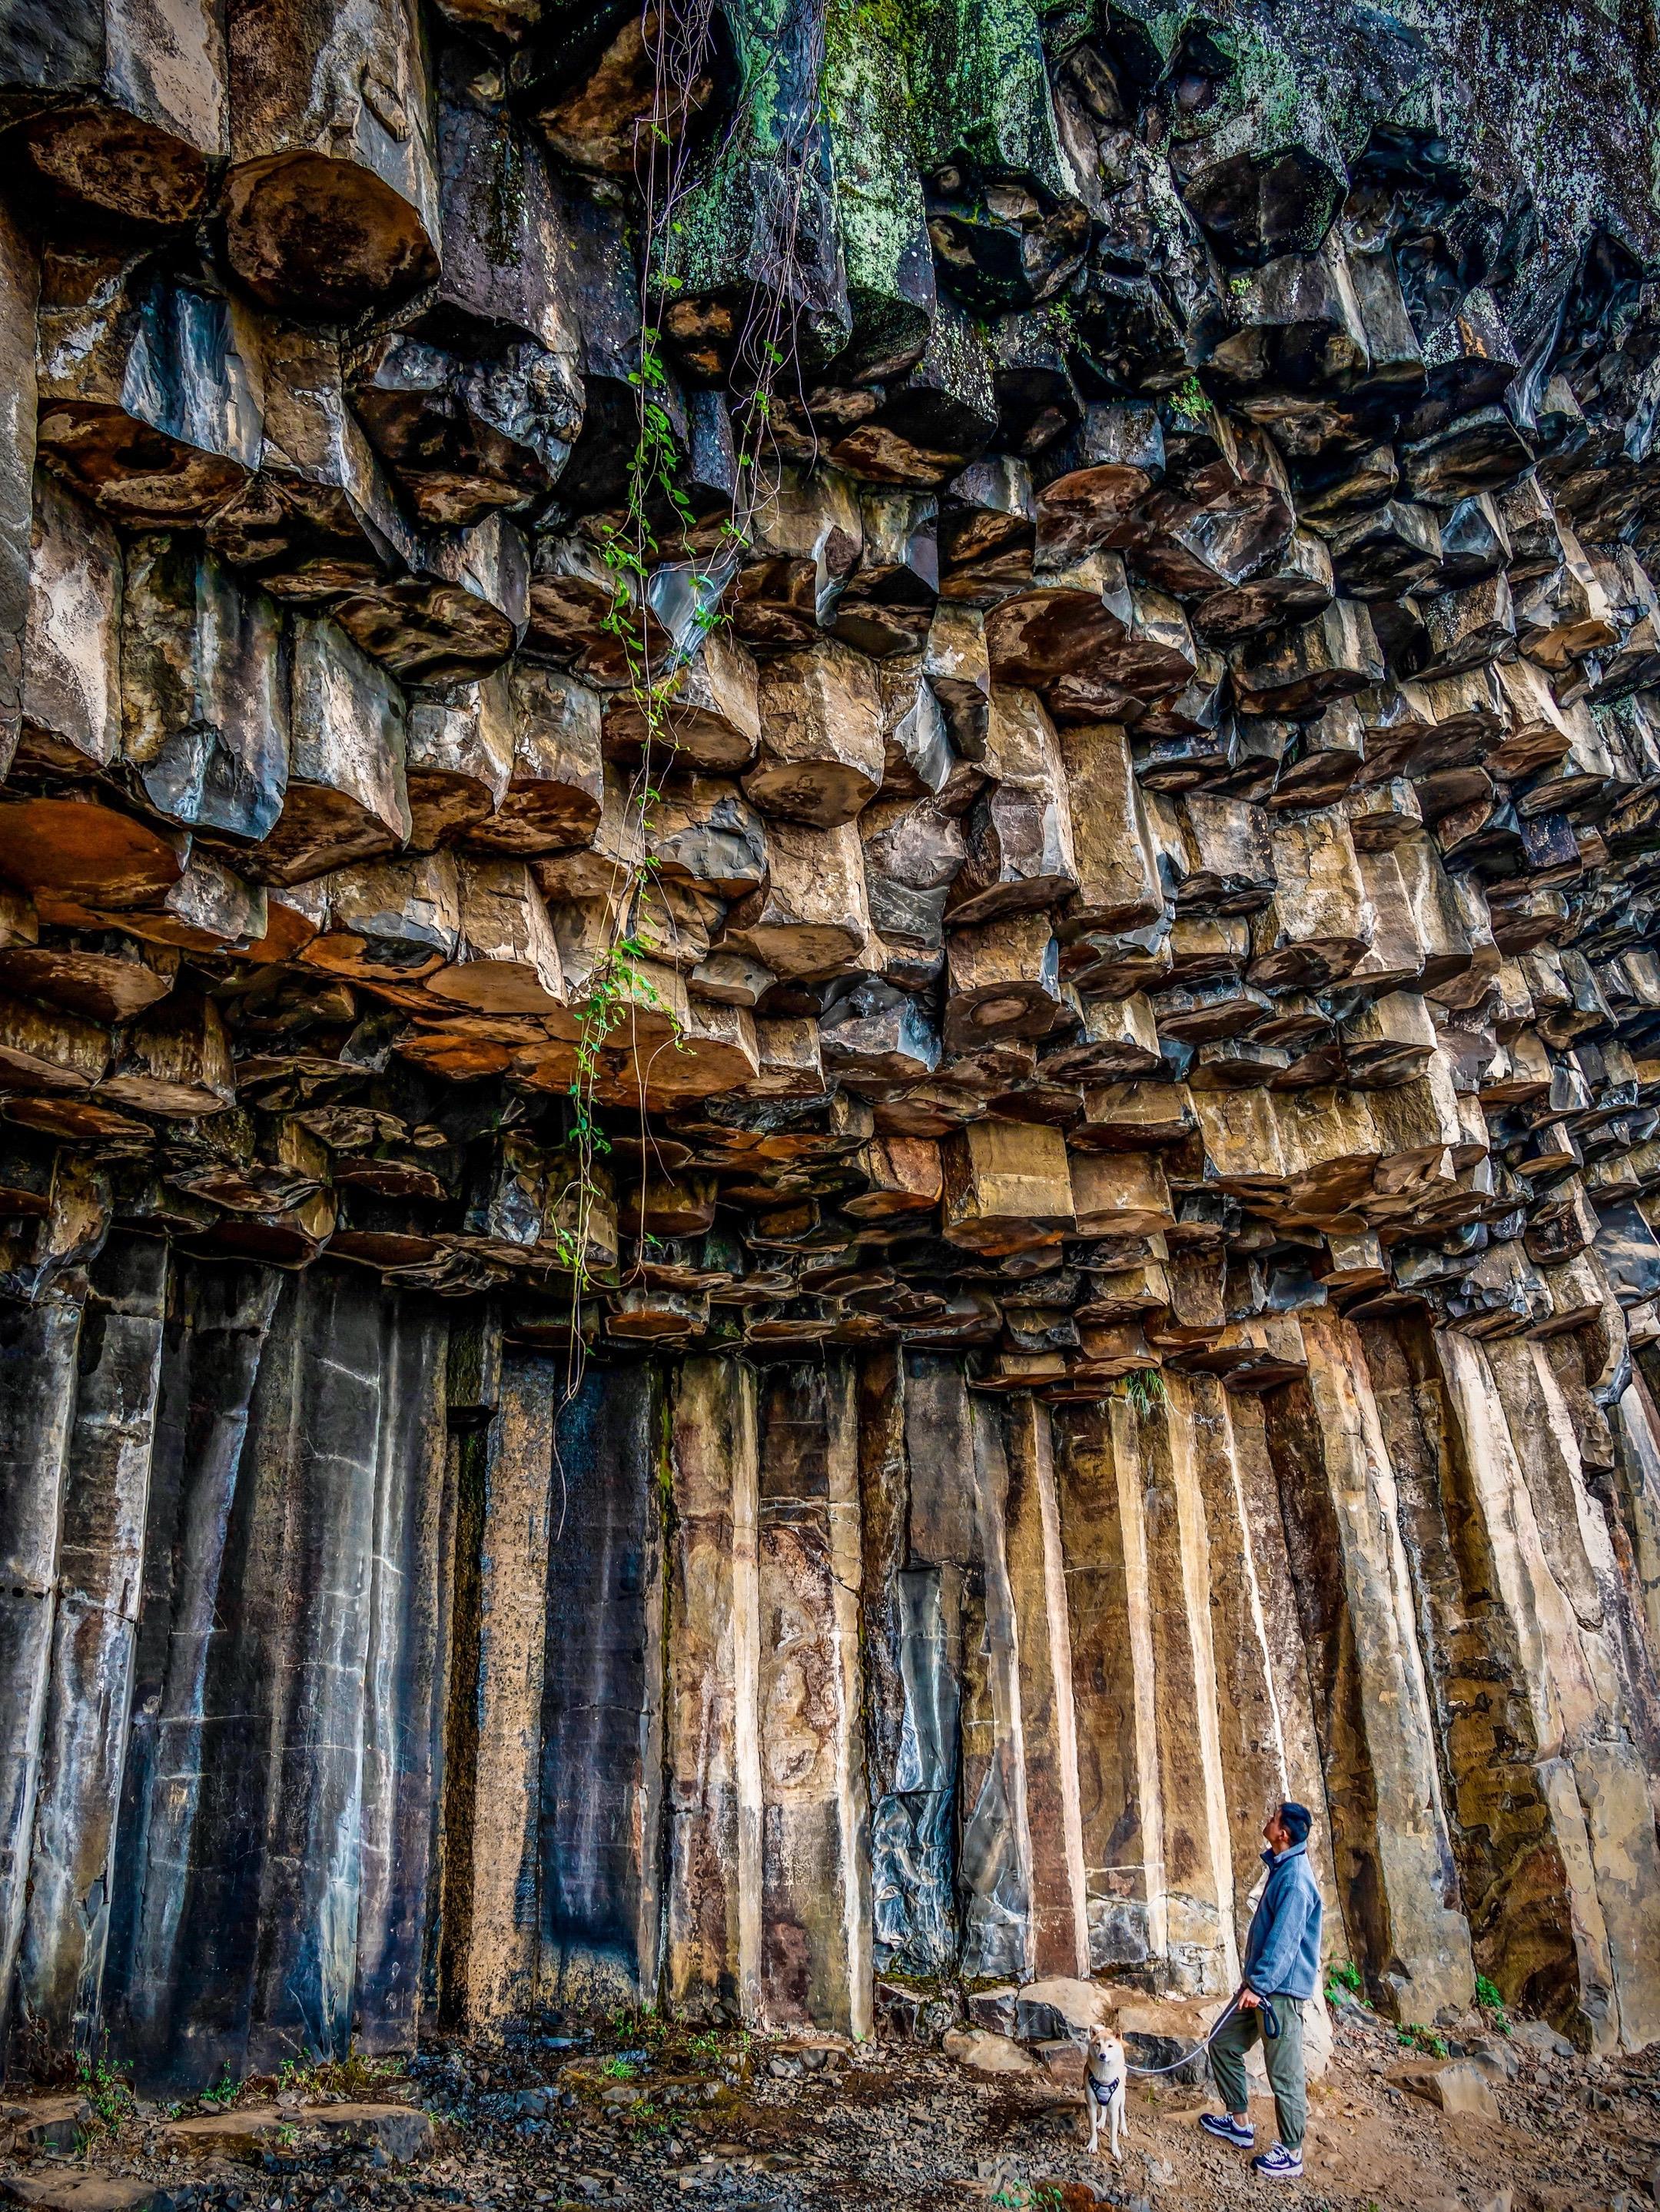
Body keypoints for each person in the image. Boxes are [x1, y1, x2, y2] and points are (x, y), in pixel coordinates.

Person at [1199, 1800, 1324, 2180]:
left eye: (1272, 1820)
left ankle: (1291, 2152)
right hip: (1260, 1988)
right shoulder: (1281, 1867)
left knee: (1284, 2073)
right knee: (1222, 2042)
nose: (1267, 1822)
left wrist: (1261, 1984)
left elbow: (1285, 1941)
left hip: (1277, 1995)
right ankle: (1239, 2123)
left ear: (1283, 1833)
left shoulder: (1296, 1879)